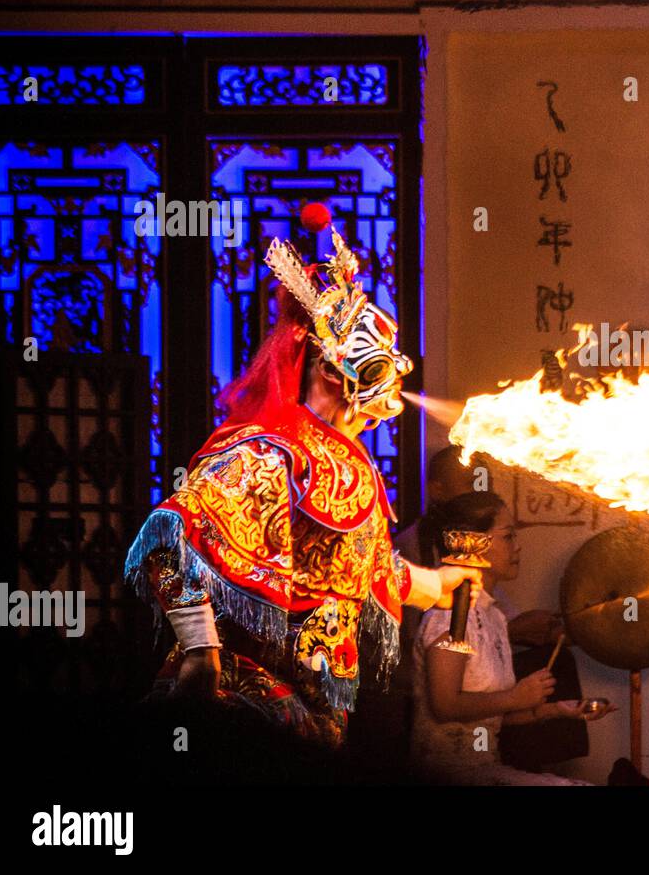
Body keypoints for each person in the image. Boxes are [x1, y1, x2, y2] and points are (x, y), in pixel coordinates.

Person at [125, 223, 480, 749]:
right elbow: (170, 539)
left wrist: (437, 583)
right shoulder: (272, 452)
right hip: (242, 701)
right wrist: (201, 651)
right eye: (381, 367)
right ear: (332, 371)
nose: (395, 390)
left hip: (311, 711)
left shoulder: (348, 460)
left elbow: (364, 569)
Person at [412, 491, 612, 784]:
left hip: (485, 768)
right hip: (445, 774)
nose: (518, 547)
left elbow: (493, 717)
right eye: (508, 537)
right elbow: (445, 705)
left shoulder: (493, 616)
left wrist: (556, 710)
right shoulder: (451, 613)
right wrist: (515, 696)